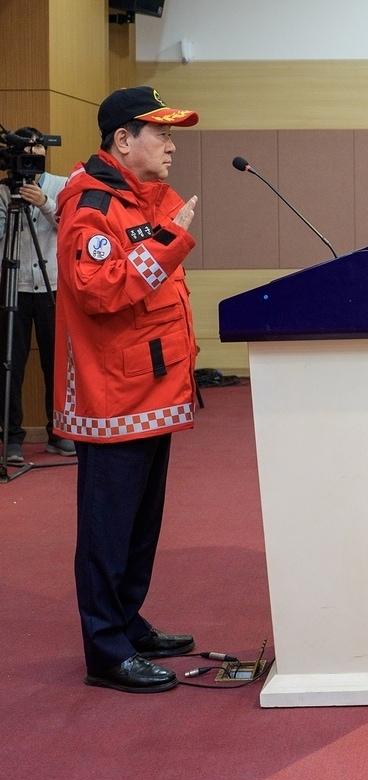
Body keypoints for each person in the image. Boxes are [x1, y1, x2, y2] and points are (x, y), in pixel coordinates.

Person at [53, 86, 201, 692]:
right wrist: (168, 242)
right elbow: (97, 289)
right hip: (114, 395)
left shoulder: (146, 198)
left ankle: (127, 622)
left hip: (153, 389)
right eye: (160, 134)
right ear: (122, 139)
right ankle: (106, 650)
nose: (171, 146)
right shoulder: (90, 202)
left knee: (140, 525)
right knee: (108, 530)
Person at [1, 128, 71, 464]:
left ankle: (59, 432)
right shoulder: (3, 190)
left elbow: (70, 226)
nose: (32, 157)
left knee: (55, 362)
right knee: (10, 364)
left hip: (51, 284)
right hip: (13, 286)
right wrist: (11, 200)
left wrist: (44, 203)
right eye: (26, 152)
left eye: (37, 150)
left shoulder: (61, 185)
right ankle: (12, 437)